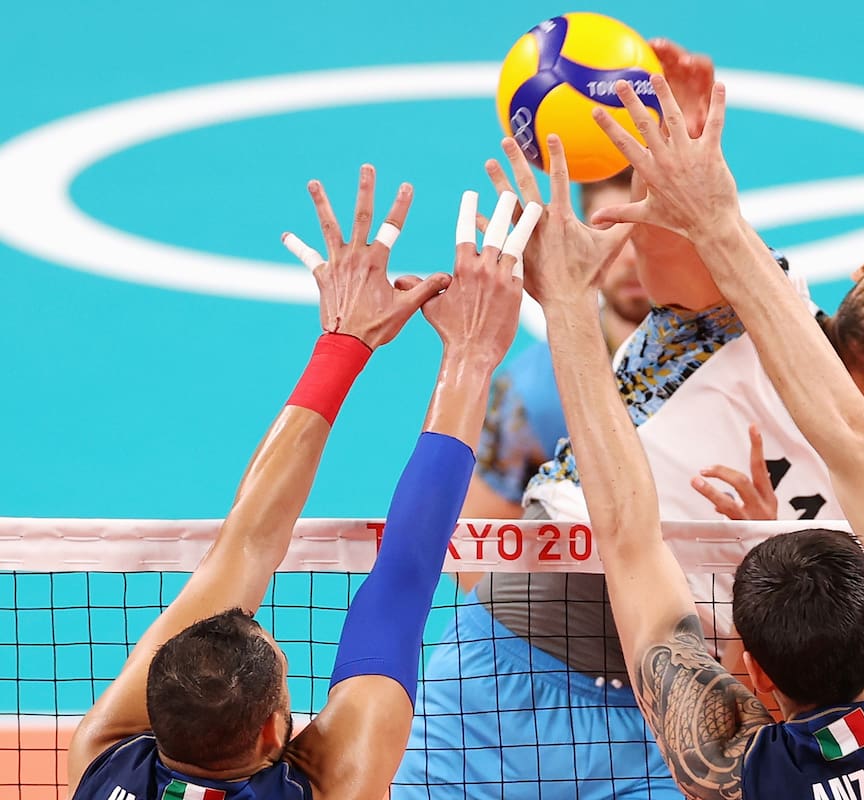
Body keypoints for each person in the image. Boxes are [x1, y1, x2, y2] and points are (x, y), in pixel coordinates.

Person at [398, 43, 864, 800]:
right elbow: (671, 253)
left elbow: (822, 672)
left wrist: (759, 558)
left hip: (679, 725)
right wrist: (674, 148)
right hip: (510, 655)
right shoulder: (756, 293)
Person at [564, 72, 864, 799]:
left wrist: (571, 304)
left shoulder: (756, 774)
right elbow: (846, 444)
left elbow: (629, 539)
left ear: (756, 676)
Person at [67, 165, 541, 800]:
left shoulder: (106, 767)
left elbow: (388, 566)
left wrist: (443, 353)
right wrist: (461, 352)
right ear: (271, 731)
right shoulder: (108, 754)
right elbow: (391, 573)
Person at [460, 166, 648, 531]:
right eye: (609, 233)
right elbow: (480, 532)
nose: (629, 254)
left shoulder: (733, 361)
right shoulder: (530, 391)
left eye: (644, 232)